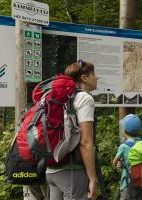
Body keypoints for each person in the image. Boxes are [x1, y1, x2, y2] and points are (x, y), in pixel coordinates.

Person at [45, 60, 98, 200]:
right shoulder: (84, 98)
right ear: (84, 78)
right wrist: (92, 178)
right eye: (93, 74)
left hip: (51, 170)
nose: (97, 77)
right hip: (71, 172)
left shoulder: (60, 98)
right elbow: (85, 142)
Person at [112, 114, 142, 200]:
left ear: (124, 130)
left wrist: (118, 163)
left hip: (128, 181)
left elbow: (114, 163)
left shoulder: (123, 147)